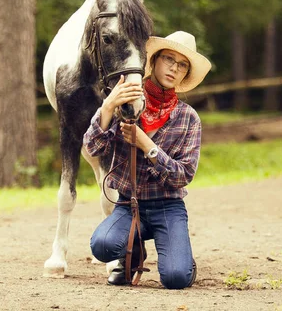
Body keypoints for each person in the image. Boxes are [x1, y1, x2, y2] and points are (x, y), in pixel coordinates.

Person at [84, 31, 212, 289]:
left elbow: (183, 176)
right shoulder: (125, 102)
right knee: (102, 245)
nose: (174, 68)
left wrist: (146, 144)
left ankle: (181, 256)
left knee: (176, 278)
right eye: (169, 59)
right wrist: (107, 107)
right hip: (128, 205)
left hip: (168, 207)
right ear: (153, 61)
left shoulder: (188, 118)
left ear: (185, 74)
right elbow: (92, 147)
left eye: (182, 64)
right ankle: (134, 250)